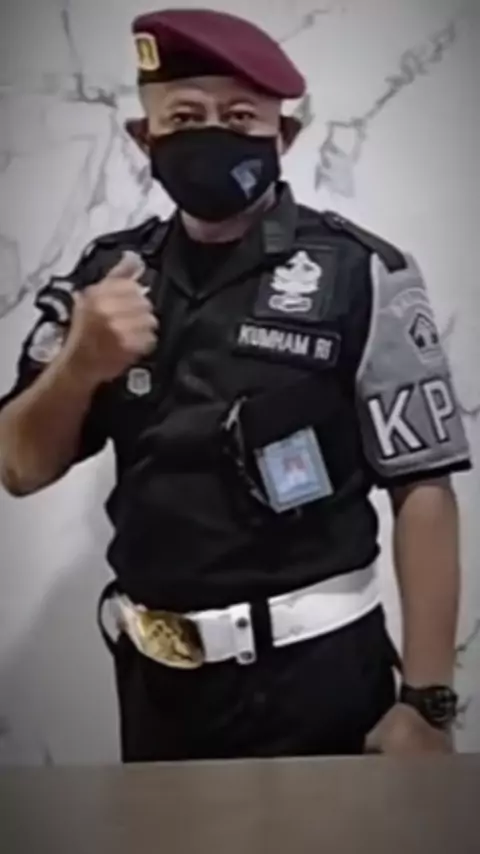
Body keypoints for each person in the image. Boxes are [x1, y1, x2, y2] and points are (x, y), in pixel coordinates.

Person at [0, 8, 472, 762]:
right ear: (144, 138)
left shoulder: (362, 272)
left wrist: (427, 703)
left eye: (241, 116)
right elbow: (19, 467)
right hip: (156, 685)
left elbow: (423, 488)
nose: (213, 133)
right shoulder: (105, 277)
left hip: (317, 678)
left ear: (284, 136)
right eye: (185, 116)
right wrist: (79, 364)